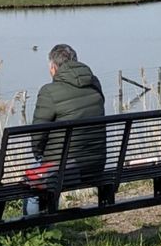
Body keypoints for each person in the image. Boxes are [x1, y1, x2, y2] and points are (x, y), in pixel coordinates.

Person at [25, 44, 105, 214]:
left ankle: (35, 227)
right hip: (95, 165)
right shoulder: (94, 83)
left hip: (66, 170)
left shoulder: (49, 92)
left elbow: (37, 135)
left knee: (31, 184)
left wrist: (39, 154)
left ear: (53, 67)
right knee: (50, 167)